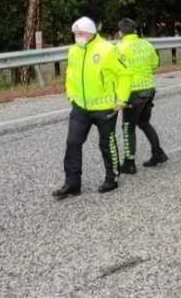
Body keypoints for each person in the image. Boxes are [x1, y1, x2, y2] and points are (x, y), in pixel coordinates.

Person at [53, 17, 132, 199]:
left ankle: (111, 178)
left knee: (106, 143)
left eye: (80, 34)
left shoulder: (108, 49)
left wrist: (121, 99)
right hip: (80, 106)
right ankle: (72, 183)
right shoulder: (73, 51)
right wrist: (71, 95)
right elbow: (70, 75)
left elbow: (125, 74)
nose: (76, 37)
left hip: (105, 107)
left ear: (90, 33)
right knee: (73, 142)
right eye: (75, 34)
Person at [116, 18, 167, 173]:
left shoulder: (119, 48)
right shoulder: (146, 44)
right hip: (149, 90)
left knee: (128, 127)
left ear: (121, 33)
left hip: (133, 92)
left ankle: (129, 163)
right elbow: (155, 64)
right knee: (144, 123)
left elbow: (117, 70)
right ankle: (157, 153)